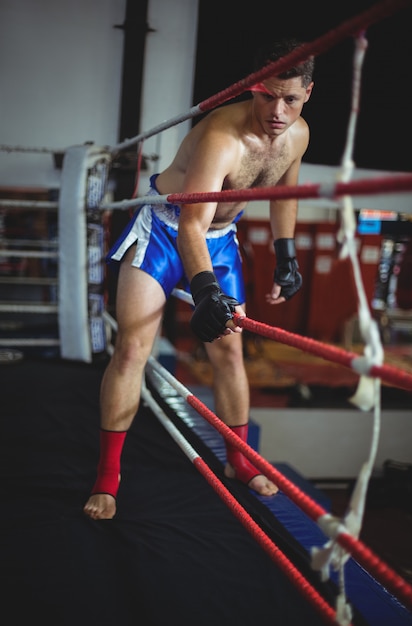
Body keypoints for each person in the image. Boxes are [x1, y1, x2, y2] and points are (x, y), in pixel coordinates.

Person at [84, 38, 314, 520]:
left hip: (221, 238)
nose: (277, 109)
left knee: (231, 350)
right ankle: (107, 476)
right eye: (268, 95)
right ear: (254, 86)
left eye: (289, 99)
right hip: (167, 232)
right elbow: (191, 222)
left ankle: (238, 458)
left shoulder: (298, 135)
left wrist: (285, 254)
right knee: (131, 350)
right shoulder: (221, 137)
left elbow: (285, 193)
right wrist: (205, 292)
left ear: (307, 94)